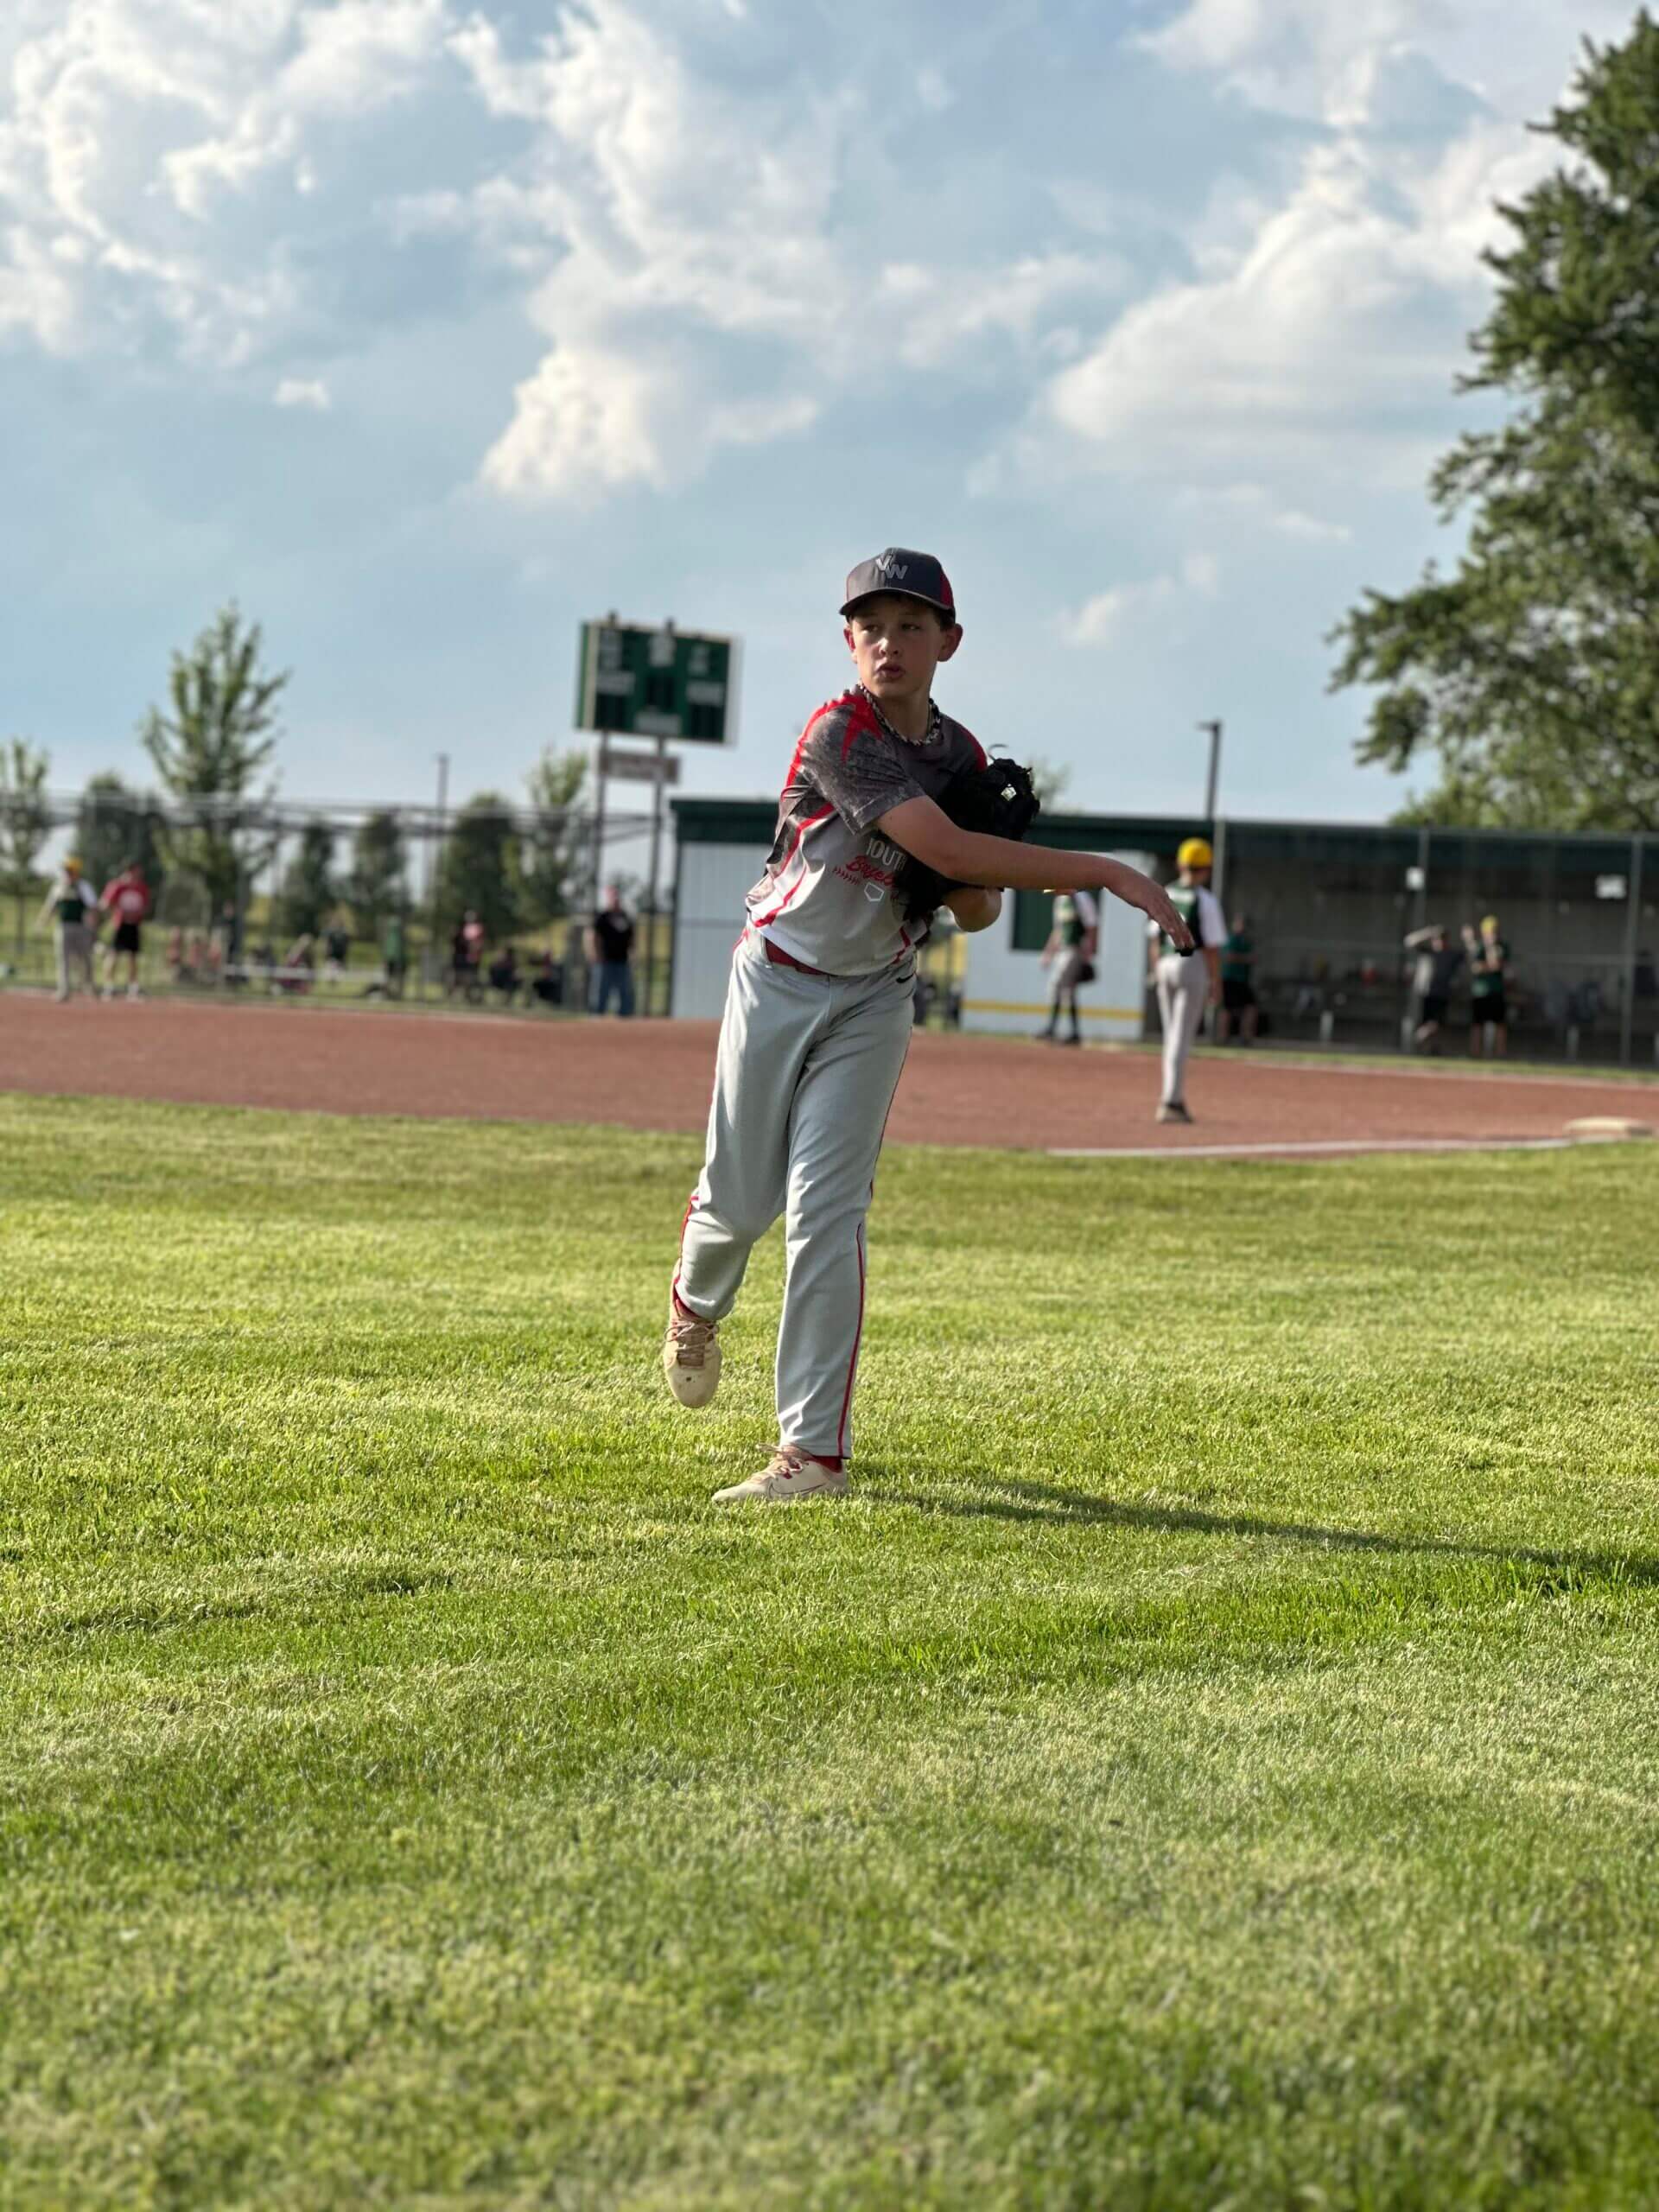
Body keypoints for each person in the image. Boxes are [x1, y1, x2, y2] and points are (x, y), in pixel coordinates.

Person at [660, 545, 1190, 1504]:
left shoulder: (959, 757)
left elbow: (973, 906)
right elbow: (943, 844)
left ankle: (810, 1454)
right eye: (869, 624)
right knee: (740, 1204)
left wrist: (969, 879)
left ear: (949, 640)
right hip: (778, 975)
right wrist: (1110, 871)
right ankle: (696, 1304)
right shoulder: (840, 730)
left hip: (875, 994)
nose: (888, 641)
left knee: (827, 1214)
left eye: (911, 624)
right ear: (848, 640)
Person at [1147, 836, 1225, 1123]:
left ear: (1181, 864)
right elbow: (1213, 948)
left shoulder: (1165, 892)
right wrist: (1216, 983)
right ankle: (1172, 1101)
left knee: (1171, 1036)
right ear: (1206, 869)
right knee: (1180, 1039)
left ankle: (1171, 1097)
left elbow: (1154, 939)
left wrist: (1156, 970)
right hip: (1190, 964)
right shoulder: (1205, 900)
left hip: (1165, 963)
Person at [35, 853, 100, 1001]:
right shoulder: (58, 886)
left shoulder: (84, 886)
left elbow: (93, 907)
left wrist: (94, 927)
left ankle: (89, 986)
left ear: (76, 871)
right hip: (63, 927)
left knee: (85, 958)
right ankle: (64, 990)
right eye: (66, 870)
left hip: (82, 927)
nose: (67, 873)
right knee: (63, 959)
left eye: (70, 870)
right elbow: (51, 906)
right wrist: (42, 922)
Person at [1038, 889, 1097, 1046]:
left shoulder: (1081, 898)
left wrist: (1088, 954)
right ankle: (1073, 1033)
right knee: (1067, 991)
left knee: (1058, 985)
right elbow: (1058, 931)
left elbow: (1092, 926)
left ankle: (1053, 1029)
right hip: (1062, 951)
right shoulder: (1060, 902)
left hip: (1075, 949)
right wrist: (1049, 953)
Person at [1403, 923, 1462, 1053]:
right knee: (1430, 1024)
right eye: (1436, 939)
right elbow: (1409, 941)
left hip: (1442, 993)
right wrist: (1428, 932)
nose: (1439, 941)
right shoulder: (1429, 952)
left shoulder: (1451, 954)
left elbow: (1469, 955)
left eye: (1441, 938)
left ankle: (1430, 1048)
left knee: (1438, 1025)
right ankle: (1420, 1044)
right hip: (1427, 993)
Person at [99, 859, 151, 1000]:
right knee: (114, 955)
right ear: (130, 870)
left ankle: (133, 988)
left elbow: (146, 906)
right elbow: (105, 903)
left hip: (134, 925)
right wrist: (118, 911)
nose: (140, 873)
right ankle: (109, 987)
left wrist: (137, 914)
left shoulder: (141, 887)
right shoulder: (118, 885)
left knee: (133, 957)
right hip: (120, 925)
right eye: (137, 870)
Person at [1464, 914, 1510, 1056]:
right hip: (1480, 991)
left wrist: (1490, 950)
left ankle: (1500, 1054)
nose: (1493, 933)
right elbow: (1475, 967)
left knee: (1500, 1024)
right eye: (1490, 931)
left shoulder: (1502, 946)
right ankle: (1475, 1053)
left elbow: (1497, 965)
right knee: (1477, 1024)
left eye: (1495, 930)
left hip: (1497, 990)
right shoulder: (1479, 946)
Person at [588, 886, 637, 1017]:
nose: (615, 899)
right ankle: (597, 1017)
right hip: (605, 961)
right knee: (600, 992)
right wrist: (595, 953)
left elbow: (632, 938)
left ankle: (624, 1020)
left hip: (622, 961)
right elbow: (593, 936)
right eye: (612, 896)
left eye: (617, 896)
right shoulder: (602, 917)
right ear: (608, 898)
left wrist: (633, 955)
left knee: (625, 992)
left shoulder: (625, 917)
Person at [1217, 912, 1259, 1044]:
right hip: (1230, 978)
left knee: (1251, 1007)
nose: (1242, 927)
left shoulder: (1246, 941)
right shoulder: (1231, 939)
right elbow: (1228, 956)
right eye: (1239, 923)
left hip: (1242, 980)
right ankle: (1223, 1038)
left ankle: (1245, 1037)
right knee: (1227, 1008)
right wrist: (1247, 959)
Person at [382, 912, 407, 998]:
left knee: (397, 978)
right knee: (390, 978)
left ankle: (396, 994)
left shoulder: (399, 936)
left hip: (398, 960)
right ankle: (389, 994)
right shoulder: (391, 936)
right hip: (392, 960)